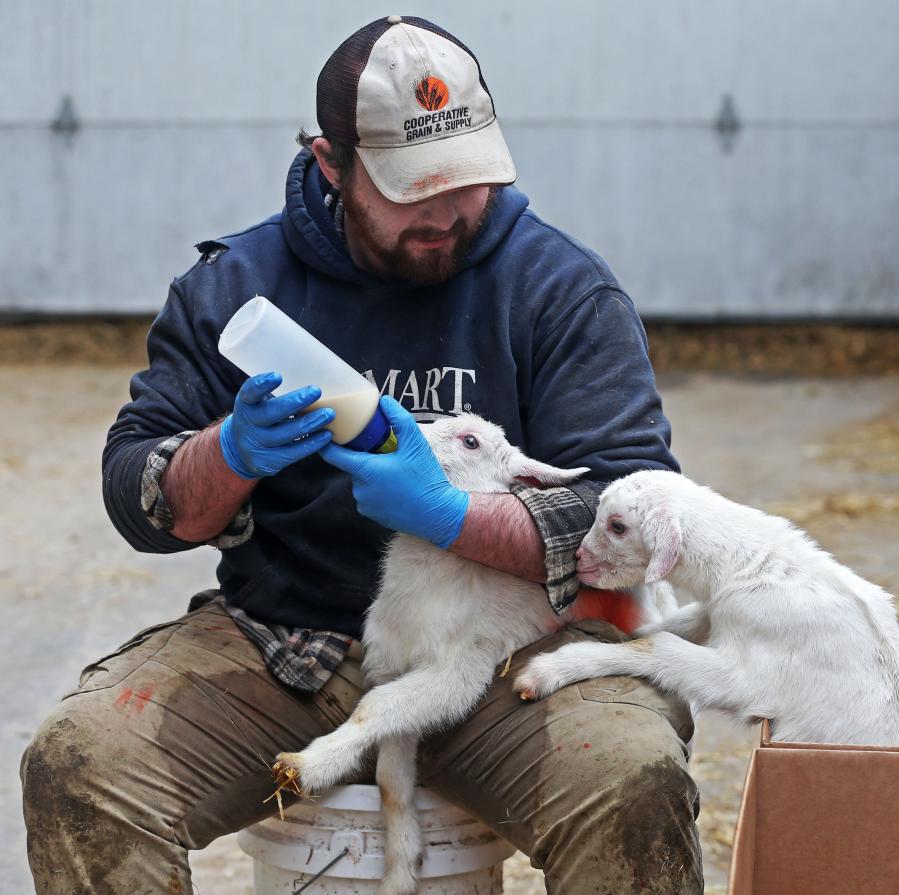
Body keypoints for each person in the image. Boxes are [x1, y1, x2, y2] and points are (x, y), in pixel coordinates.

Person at [20, 15, 703, 894]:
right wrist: (228, 452)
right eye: (412, 187)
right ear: (331, 162)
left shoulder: (558, 289)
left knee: (632, 779)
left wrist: (455, 517)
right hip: (286, 644)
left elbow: (642, 516)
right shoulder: (237, 289)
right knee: (81, 765)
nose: (449, 211)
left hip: (507, 657)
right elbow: (138, 496)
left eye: (467, 180)